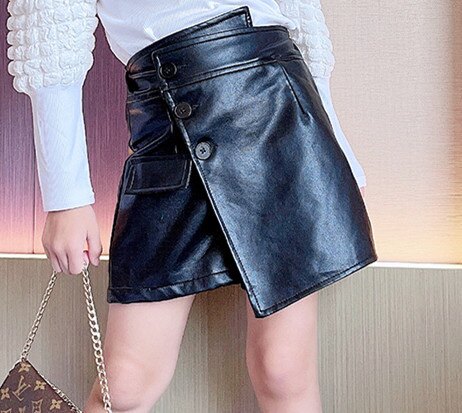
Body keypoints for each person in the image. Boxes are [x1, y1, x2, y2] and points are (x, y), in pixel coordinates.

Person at [6, 1, 378, 411]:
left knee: (282, 368)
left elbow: (299, 14)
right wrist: (66, 196)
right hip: (166, 120)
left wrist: (340, 152)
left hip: (278, 112)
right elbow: (50, 17)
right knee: (125, 386)